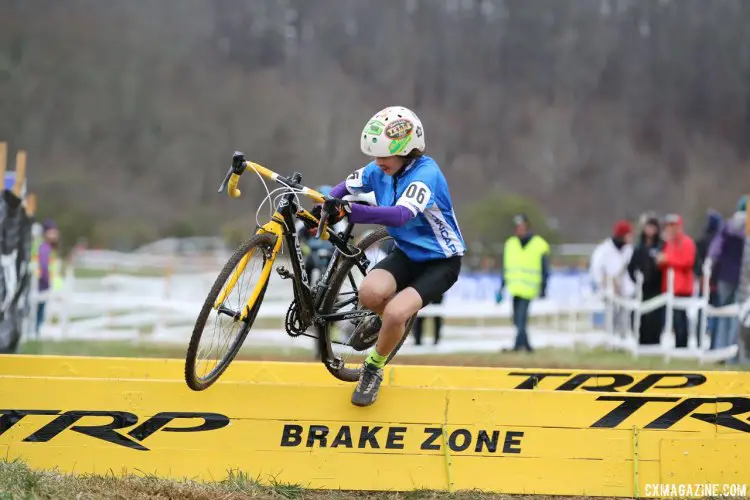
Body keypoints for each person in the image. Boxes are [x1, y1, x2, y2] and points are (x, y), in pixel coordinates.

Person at [314, 105, 465, 407]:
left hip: (441, 262)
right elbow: (344, 187)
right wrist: (325, 207)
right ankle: (384, 326)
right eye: (375, 155)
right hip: (407, 254)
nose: (378, 161)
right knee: (369, 294)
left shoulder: (426, 175)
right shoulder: (379, 170)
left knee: (396, 313)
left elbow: (399, 216)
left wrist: (353, 209)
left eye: (385, 155)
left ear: (408, 151)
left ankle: (373, 367)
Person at [497, 214, 550, 352]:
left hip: (529, 289)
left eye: (522, 227)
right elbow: (505, 268)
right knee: (516, 319)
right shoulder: (510, 244)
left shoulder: (539, 244)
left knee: (521, 319)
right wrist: (501, 288)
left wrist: (543, 287)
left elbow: (545, 269)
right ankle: (527, 346)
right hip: (514, 288)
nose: (520, 230)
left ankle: (517, 347)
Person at [707, 197, 746, 352]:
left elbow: (715, 250)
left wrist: (712, 270)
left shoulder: (727, 226)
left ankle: (719, 348)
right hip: (743, 277)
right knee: (738, 316)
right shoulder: (748, 227)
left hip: (724, 275)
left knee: (722, 313)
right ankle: (733, 351)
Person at [589, 220, 635, 336]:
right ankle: (610, 338)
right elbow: (596, 270)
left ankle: (623, 337)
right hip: (609, 289)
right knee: (611, 315)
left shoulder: (629, 250)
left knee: (624, 316)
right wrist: (604, 284)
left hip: (624, 289)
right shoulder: (604, 250)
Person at [658, 213, 696, 349]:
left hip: (682, 287)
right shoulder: (669, 244)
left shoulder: (687, 243)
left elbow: (688, 261)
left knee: (681, 319)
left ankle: (682, 344)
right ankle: (678, 343)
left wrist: (668, 260)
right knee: (673, 319)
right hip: (670, 287)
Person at [627, 215, 664, 345]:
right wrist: (636, 279)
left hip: (656, 288)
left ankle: (654, 342)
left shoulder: (661, 246)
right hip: (642, 288)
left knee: (655, 317)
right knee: (640, 317)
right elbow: (631, 266)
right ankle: (640, 340)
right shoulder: (639, 247)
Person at [694, 210, 722, 347]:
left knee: (706, 314)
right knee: (715, 314)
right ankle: (712, 344)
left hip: (708, 283)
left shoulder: (702, 242)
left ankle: (702, 342)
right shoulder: (716, 241)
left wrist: (700, 275)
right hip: (713, 283)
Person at [34, 219, 63, 336]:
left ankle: (38, 330)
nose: (55, 234)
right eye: (52, 232)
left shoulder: (49, 247)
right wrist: (48, 282)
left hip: (47, 283)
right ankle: (37, 331)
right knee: (40, 310)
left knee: (43, 309)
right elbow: (44, 266)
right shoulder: (44, 247)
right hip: (42, 283)